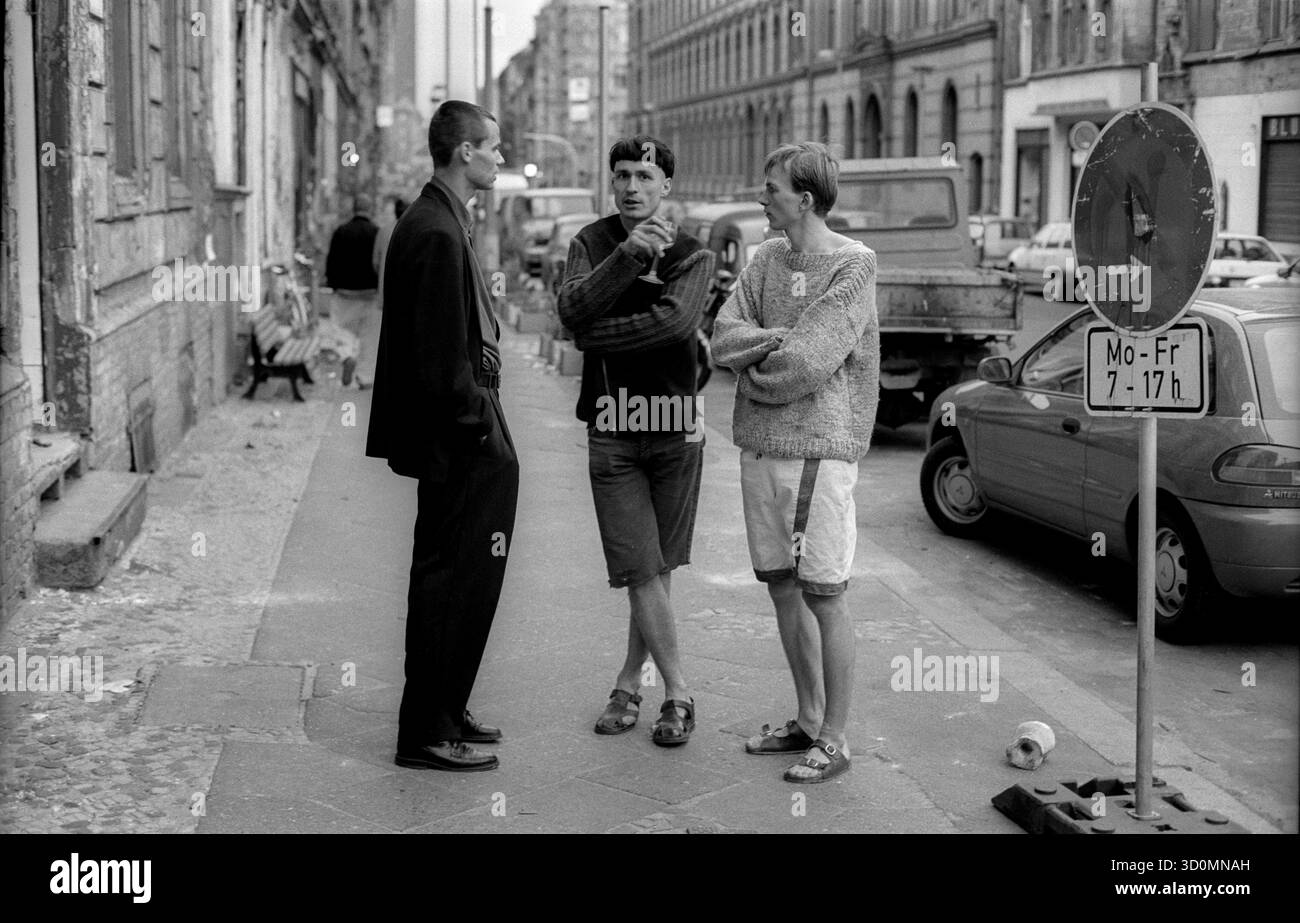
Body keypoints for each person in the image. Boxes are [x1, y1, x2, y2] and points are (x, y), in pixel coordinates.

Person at [710, 142, 879, 783]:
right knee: (782, 587)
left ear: (803, 199)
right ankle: (808, 719)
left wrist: (758, 365)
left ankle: (835, 738)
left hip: (818, 453)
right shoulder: (767, 258)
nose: (762, 196)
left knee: (825, 595)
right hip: (760, 448)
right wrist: (772, 345)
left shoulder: (854, 266)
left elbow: (809, 361)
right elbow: (725, 335)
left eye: (771, 188)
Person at [365, 101, 517, 773]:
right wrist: (483, 427)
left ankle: (446, 708)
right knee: (447, 584)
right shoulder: (432, 230)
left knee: (462, 580)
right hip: (456, 441)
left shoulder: (442, 219)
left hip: (461, 435)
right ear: (464, 153)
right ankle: (425, 731)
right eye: (493, 147)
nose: (500, 157)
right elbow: (437, 362)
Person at [557, 136, 715, 747]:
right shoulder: (590, 244)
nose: (632, 187)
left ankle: (628, 680)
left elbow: (675, 323)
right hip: (613, 429)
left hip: (674, 425)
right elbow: (571, 307)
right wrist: (625, 257)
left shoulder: (693, 255)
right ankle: (679, 691)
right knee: (639, 567)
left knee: (656, 569)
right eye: (622, 175)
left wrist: (595, 338)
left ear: (666, 186)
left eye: (646, 176)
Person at [325, 195, 380, 385]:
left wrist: (333, 284)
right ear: (369, 209)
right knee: (368, 336)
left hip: (345, 292)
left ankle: (347, 356)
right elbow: (381, 262)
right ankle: (365, 377)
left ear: (354, 209)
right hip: (370, 293)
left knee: (341, 329)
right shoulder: (376, 232)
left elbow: (331, 261)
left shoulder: (341, 231)